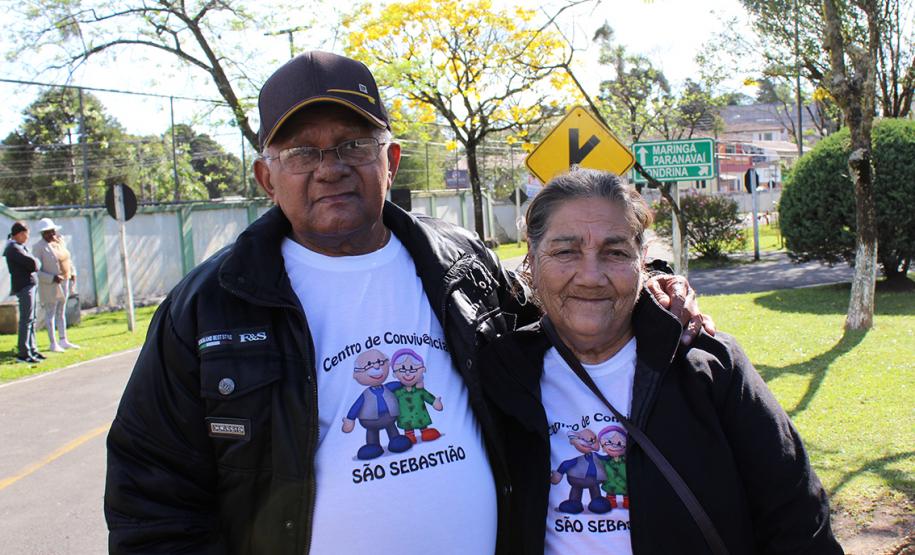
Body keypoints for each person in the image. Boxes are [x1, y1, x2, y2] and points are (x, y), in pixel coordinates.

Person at [104, 51, 709, 555]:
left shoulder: (461, 264)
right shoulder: (207, 309)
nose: (330, 168)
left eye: (352, 146)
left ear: (389, 162)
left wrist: (652, 278)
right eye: (303, 153)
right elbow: (151, 502)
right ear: (267, 177)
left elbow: (567, 298)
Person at [479, 168, 842, 554]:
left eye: (615, 252)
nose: (590, 276)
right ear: (532, 260)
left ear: (643, 260)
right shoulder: (499, 377)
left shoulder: (710, 367)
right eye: (565, 251)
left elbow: (799, 521)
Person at [33, 217, 80, 352]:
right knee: (50, 313)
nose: (51, 234)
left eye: (52, 231)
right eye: (48, 232)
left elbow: (67, 259)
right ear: (43, 234)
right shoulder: (39, 247)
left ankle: (63, 339)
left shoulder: (60, 242)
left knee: (61, 312)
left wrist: (72, 272)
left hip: (64, 281)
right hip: (50, 285)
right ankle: (53, 343)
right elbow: (37, 270)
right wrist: (51, 278)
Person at [4, 221, 43, 364]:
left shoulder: (20, 247)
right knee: (26, 320)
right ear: (20, 234)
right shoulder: (13, 248)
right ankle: (23, 352)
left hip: (30, 285)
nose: (27, 237)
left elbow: (34, 263)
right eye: (26, 234)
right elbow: (34, 264)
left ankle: (32, 348)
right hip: (24, 286)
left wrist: (36, 262)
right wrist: (36, 262)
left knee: (31, 320)